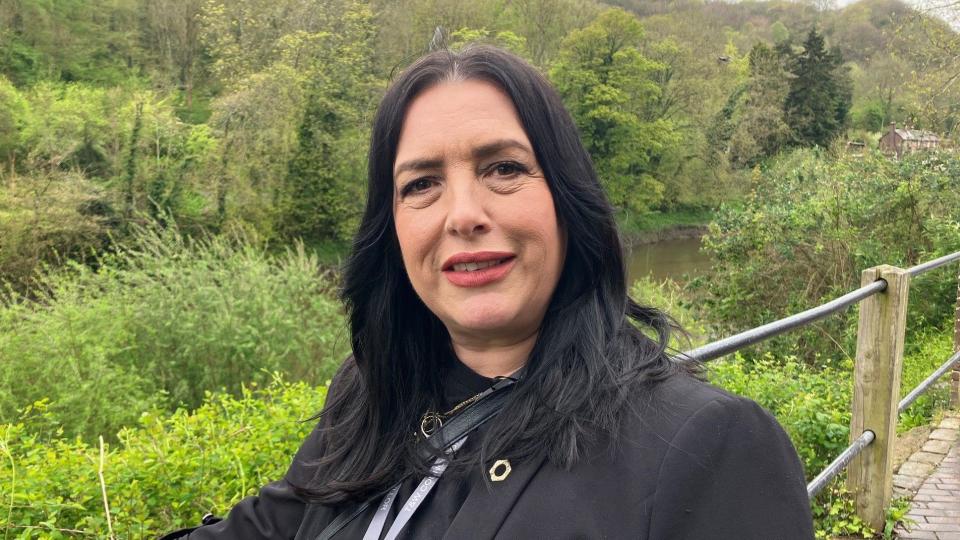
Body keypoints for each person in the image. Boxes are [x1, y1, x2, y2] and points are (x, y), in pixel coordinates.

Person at [168, 44, 814, 539]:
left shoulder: (706, 446)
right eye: (421, 183)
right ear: (390, 230)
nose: (463, 214)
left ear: (568, 201)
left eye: (503, 168)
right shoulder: (374, 391)